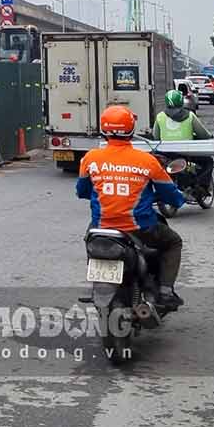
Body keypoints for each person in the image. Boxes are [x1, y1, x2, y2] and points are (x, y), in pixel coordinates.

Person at [77, 105, 187, 307]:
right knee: (173, 242)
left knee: (90, 241)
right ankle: (165, 290)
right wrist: (180, 199)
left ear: (103, 130)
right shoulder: (147, 161)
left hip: (101, 228)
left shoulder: (90, 158)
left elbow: (82, 191)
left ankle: (95, 283)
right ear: (131, 130)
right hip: (140, 228)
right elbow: (169, 193)